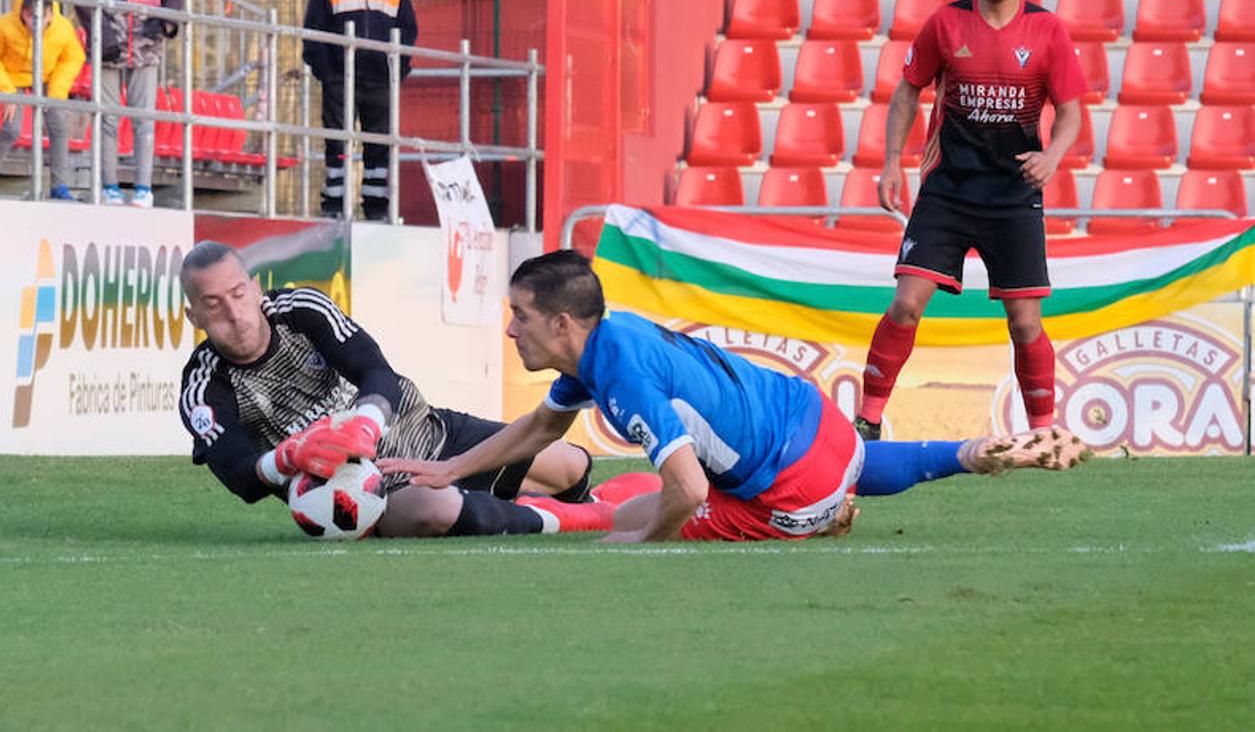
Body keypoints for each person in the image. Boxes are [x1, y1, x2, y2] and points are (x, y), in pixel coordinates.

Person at [381, 251, 1088, 544]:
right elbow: (540, 425)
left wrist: (640, 544)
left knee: (620, 514)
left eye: (521, 317)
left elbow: (686, 491)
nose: (511, 330)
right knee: (834, 460)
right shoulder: (609, 337)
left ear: (562, 324)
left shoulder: (621, 379)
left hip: (788, 490)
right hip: (819, 420)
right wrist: (447, 469)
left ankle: (821, 517)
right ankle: (962, 453)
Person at [177, 240, 613, 538]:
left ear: (255, 288)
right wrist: (288, 457)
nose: (234, 314)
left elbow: (376, 372)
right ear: (193, 315)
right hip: (365, 491)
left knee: (571, 464)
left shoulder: (301, 311)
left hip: (428, 432)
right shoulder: (204, 388)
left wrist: (365, 424)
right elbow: (239, 474)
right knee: (436, 511)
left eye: (238, 294)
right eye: (213, 305)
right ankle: (573, 518)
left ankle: (580, 498)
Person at [852, 0, 1086, 443]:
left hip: (1013, 194)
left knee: (1025, 323)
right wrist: (892, 161)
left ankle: (1043, 434)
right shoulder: (945, 24)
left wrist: (1053, 156)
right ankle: (867, 419)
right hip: (948, 190)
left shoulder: (1047, 31)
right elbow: (908, 90)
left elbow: (1071, 112)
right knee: (906, 302)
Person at [68, 0, 184, 209]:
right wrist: (100, 30)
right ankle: (109, 185)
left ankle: (143, 187)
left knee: (143, 117)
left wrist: (168, 20)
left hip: (147, 40)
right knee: (105, 116)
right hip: (109, 42)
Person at [302, 0, 418, 221]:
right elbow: (313, 29)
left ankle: (377, 207)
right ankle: (334, 205)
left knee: (378, 143)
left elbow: (408, 30)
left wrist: (398, 69)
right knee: (338, 140)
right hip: (340, 76)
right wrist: (326, 71)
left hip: (379, 79)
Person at [0, 0, 86, 200]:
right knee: (11, 128)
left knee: (58, 122)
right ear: (23, 14)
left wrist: (57, 92)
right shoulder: (5, 25)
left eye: (41, 17)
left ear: (50, 15)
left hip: (47, 76)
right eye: (31, 17)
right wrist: (7, 92)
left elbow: (73, 58)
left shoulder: (63, 29)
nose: (36, 23)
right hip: (12, 76)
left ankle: (59, 186)